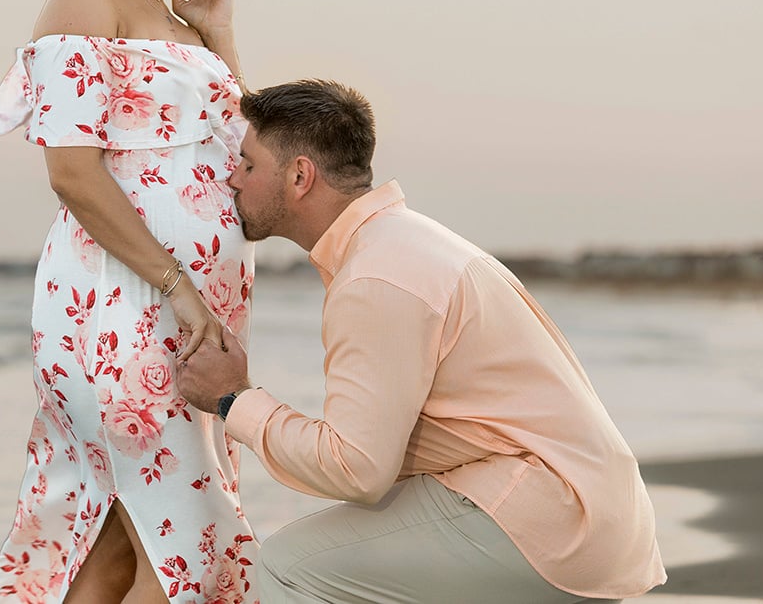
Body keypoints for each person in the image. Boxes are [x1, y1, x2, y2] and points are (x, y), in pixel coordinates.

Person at [176, 80, 667, 603]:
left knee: (284, 568)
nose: (231, 178)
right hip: (589, 516)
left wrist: (234, 400)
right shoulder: (401, 244)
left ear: (300, 176)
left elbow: (356, 468)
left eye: (248, 164)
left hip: (552, 522)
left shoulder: (376, 277)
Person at [0, 0, 261, 603]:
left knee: (112, 542)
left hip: (189, 304)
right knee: (187, 550)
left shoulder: (178, 20)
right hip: (125, 301)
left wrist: (220, 30)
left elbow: (243, 143)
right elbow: (72, 173)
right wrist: (178, 287)